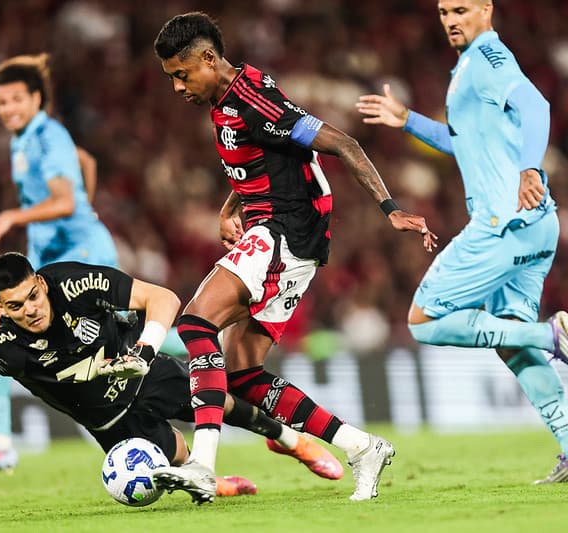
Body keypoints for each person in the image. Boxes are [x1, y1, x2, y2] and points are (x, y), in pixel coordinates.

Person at [151, 12, 437, 504]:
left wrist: (390, 209)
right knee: (242, 374)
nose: (178, 87)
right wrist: (231, 205)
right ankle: (362, 446)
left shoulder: (252, 99)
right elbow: (263, 158)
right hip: (282, 233)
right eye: (171, 78)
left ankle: (202, 466)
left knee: (195, 324)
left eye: (182, 74)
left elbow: (342, 143)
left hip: (286, 231)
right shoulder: (227, 98)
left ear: (209, 59)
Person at [356, 0, 568, 484]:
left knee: (423, 322)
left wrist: (529, 168)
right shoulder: (469, 65)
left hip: (502, 225)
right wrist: (408, 119)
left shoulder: (489, 58)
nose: (451, 20)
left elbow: (537, 106)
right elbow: (462, 142)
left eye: (461, 10)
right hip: (536, 225)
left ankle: (549, 336)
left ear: (486, 9)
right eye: (444, 12)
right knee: (509, 338)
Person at [0, 252, 344, 498]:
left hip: (141, 373)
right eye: (15, 306)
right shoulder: (7, 346)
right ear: (1, 308)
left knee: (223, 404)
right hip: (109, 422)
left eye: (32, 296)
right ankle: (221, 485)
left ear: (40, 283)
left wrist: (145, 350)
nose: (29, 310)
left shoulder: (73, 283)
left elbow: (163, 299)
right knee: (178, 458)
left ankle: (289, 440)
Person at [0, 53, 122, 476]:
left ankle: (204, 346)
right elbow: (87, 163)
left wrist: (14, 216)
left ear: (36, 99)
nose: (8, 109)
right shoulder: (25, 139)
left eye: (16, 99)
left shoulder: (49, 136)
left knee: (122, 333)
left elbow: (64, 201)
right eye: (1, 102)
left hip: (82, 253)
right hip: (52, 256)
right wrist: (87, 205)